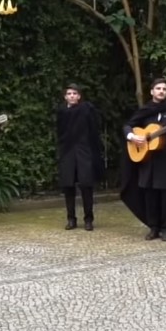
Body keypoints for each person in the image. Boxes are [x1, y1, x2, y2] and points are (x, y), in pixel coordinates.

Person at [120, 77, 166, 241]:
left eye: (164, 89)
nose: (161, 91)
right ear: (152, 92)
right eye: (158, 88)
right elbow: (127, 125)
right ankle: (153, 227)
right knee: (149, 193)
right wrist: (132, 136)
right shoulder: (145, 110)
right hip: (148, 159)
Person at [56, 84, 104, 231]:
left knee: (86, 185)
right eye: (69, 93)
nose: (72, 96)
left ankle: (88, 219)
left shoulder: (86, 109)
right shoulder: (61, 111)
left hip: (84, 151)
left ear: (79, 96)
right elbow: (59, 131)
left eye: (75, 93)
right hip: (68, 152)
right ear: (65, 97)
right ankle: (71, 219)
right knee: (68, 186)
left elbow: (94, 129)